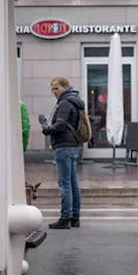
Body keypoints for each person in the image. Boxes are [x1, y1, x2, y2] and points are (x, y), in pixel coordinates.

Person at [39, 77, 87, 230]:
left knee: (65, 184)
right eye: (52, 89)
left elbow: (60, 125)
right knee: (72, 183)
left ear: (65, 87)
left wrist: (46, 128)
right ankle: (75, 217)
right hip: (72, 145)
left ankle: (65, 218)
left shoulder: (65, 102)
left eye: (57, 88)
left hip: (64, 146)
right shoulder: (74, 100)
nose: (54, 92)